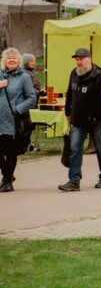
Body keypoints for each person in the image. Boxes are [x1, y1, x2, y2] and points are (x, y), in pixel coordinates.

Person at [59, 48, 101, 192]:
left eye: (81, 59)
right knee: (75, 149)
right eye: (76, 59)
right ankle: (74, 180)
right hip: (78, 120)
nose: (78, 62)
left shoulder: (99, 76)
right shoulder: (74, 74)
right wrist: (68, 112)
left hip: (96, 120)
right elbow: (70, 94)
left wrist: (97, 116)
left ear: (89, 59)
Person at [0, 48, 36, 192]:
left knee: (10, 151)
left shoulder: (24, 77)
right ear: (4, 60)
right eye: (9, 58)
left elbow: (31, 98)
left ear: (19, 61)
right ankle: (7, 175)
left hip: (13, 120)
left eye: (15, 58)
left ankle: (8, 182)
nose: (12, 60)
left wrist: (17, 109)